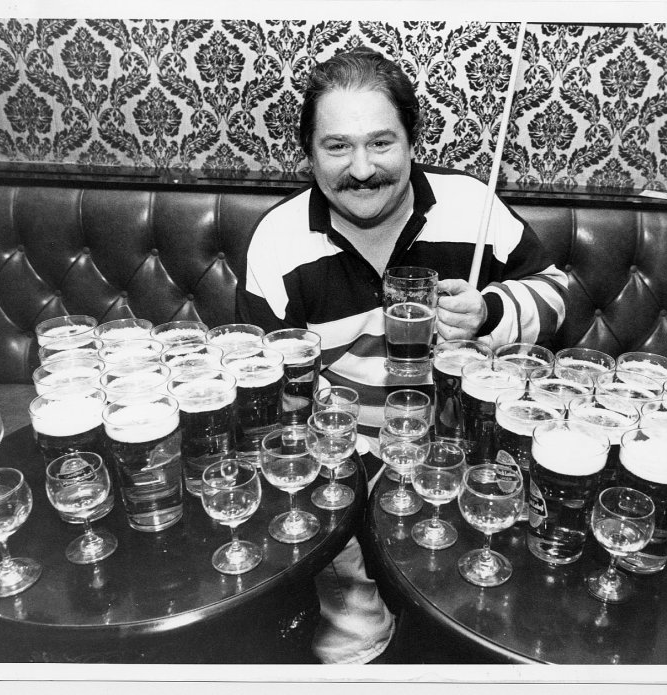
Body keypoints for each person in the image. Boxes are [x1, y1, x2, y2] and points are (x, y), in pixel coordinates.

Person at [237, 47, 568, 664]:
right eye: (336, 147)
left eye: (381, 143)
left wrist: (490, 312)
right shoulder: (278, 240)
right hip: (340, 451)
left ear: (413, 141)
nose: (361, 169)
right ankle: (356, 635)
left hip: (455, 442)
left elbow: (555, 294)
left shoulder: (470, 204)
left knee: (470, 613)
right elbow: (265, 389)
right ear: (308, 154)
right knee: (348, 614)